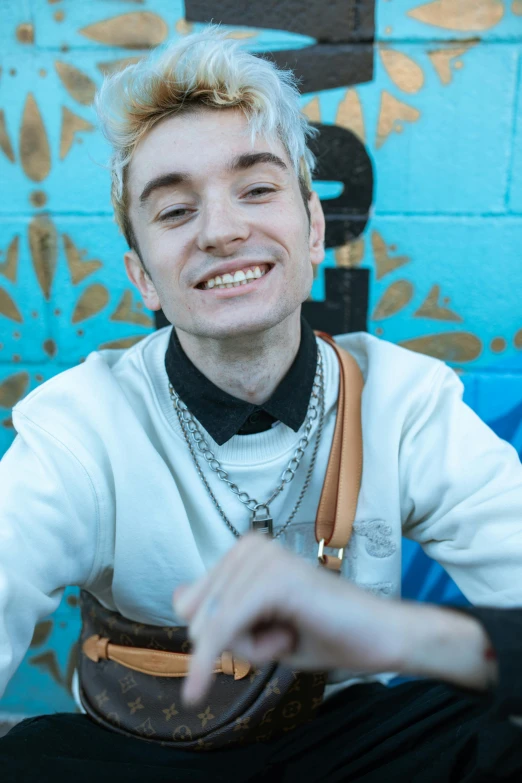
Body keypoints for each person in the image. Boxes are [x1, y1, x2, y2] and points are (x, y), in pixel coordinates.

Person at [1, 26, 522, 782]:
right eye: (175, 211)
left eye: (256, 188)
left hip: (356, 740)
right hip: (147, 754)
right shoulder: (79, 422)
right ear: (142, 276)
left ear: (314, 230)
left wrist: (396, 634)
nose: (222, 230)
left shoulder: (407, 401)